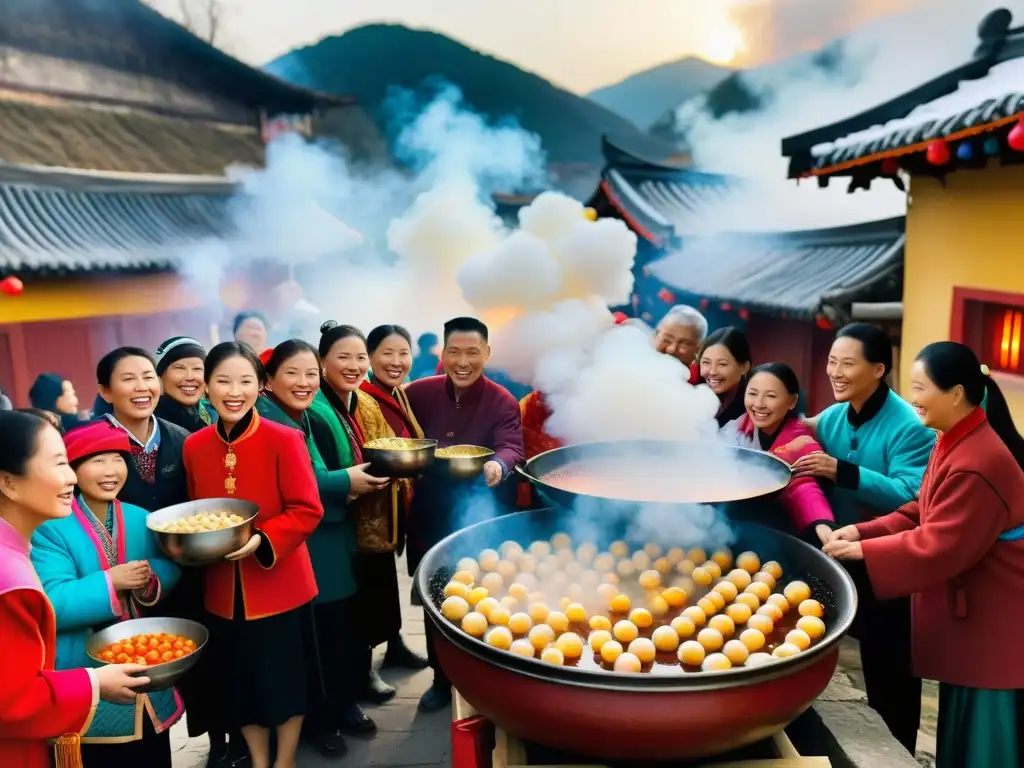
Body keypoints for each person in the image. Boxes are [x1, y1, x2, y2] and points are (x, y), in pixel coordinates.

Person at [824, 341, 1024, 767]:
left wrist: (864, 550)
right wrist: (863, 529)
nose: (912, 398)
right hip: (976, 614)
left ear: (955, 393)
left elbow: (939, 545)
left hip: (995, 615)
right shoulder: (953, 437)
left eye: (920, 387)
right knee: (961, 719)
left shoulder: (979, 459)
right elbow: (921, 508)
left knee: (985, 731)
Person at [792, 323, 935, 754]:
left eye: (847, 364)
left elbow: (914, 495)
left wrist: (843, 471)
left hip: (886, 565)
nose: (835, 371)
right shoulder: (832, 417)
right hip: (837, 555)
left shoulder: (910, 426)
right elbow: (792, 435)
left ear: (878, 369)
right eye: (832, 361)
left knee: (890, 674)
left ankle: (901, 755)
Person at [0, 410, 150, 767]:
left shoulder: (136, 516)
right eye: (58, 464)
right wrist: (93, 683)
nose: (70, 477)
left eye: (68, 463)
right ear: (8, 482)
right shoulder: (9, 579)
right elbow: (11, 698)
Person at [30, 421, 182, 767]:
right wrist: (111, 581)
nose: (110, 471)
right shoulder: (48, 528)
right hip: (85, 668)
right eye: (97, 461)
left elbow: (171, 565)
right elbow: (51, 601)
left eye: (117, 459)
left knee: (153, 754)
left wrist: (148, 579)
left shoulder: (142, 518)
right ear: (72, 470)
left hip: (145, 659)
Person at [257, 339, 375, 758]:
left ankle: (339, 707)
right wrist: (348, 481)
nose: (304, 382)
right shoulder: (272, 421)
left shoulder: (300, 414)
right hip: (306, 543)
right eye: (292, 373)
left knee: (338, 630)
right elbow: (306, 482)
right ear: (268, 381)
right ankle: (321, 720)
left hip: (326, 539)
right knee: (322, 636)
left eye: (310, 373)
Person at [405, 316, 525, 713]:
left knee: (484, 594)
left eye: (472, 352)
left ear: (486, 354)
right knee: (434, 596)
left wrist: (499, 466)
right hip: (431, 509)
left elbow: (511, 447)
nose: (462, 361)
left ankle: (486, 678)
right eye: (454, 351)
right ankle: (440, 679)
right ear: (442, 352)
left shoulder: (502, 400)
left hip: (482, 513)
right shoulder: (418, 393)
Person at [305, 323, 396, 705]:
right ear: (323, 362)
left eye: (360, 357)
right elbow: (313, 476)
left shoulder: (355, 399)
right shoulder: (315, 408)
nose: (354, 366)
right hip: (328, 528)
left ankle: (357, 679)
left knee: (358, 608)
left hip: (359, 519)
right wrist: (349, 481)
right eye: (343, 357)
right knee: (337, 617)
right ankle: (341, 698)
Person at [359, 325, 430, 670]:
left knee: (388, 579)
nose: (396, 361)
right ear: (370, 357)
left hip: (397, 501)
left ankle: (394, 643)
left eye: (403, 353)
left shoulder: (398, 393)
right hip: (372, 505)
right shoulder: (363, 396)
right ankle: (367, 658)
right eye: (387, 353)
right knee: (373, 583)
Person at [729, 363, 834, 544]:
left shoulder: (800, 441)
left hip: (778, 529)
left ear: (792, 401)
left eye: (770, 396)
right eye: (752, 394)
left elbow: (803, 487)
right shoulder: (737, 427)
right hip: (735, 523)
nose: (759, 404)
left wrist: (822, 524)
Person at [95, 348, 190, 514]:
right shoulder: (88, 444)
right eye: (129, 379)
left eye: (148, 377)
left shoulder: (182, 439)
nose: (142, 387)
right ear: (105, 391)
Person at [154, 336, 216, 433]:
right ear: (160, 377)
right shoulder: (150, 424)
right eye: (180, 368)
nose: (190, 377)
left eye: (197, 369)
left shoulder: (216, 415)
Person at [698, 327, 751, 428]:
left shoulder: (753, 410)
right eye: (706, 362)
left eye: (722, 364)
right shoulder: (692, 400)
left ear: (744, 367)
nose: (712, 371)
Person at [654, 304, 706, 384]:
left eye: (684, 344)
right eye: (666, 340)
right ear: (655, 335)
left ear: (699, 349)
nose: (672, 349)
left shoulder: (703, 383)